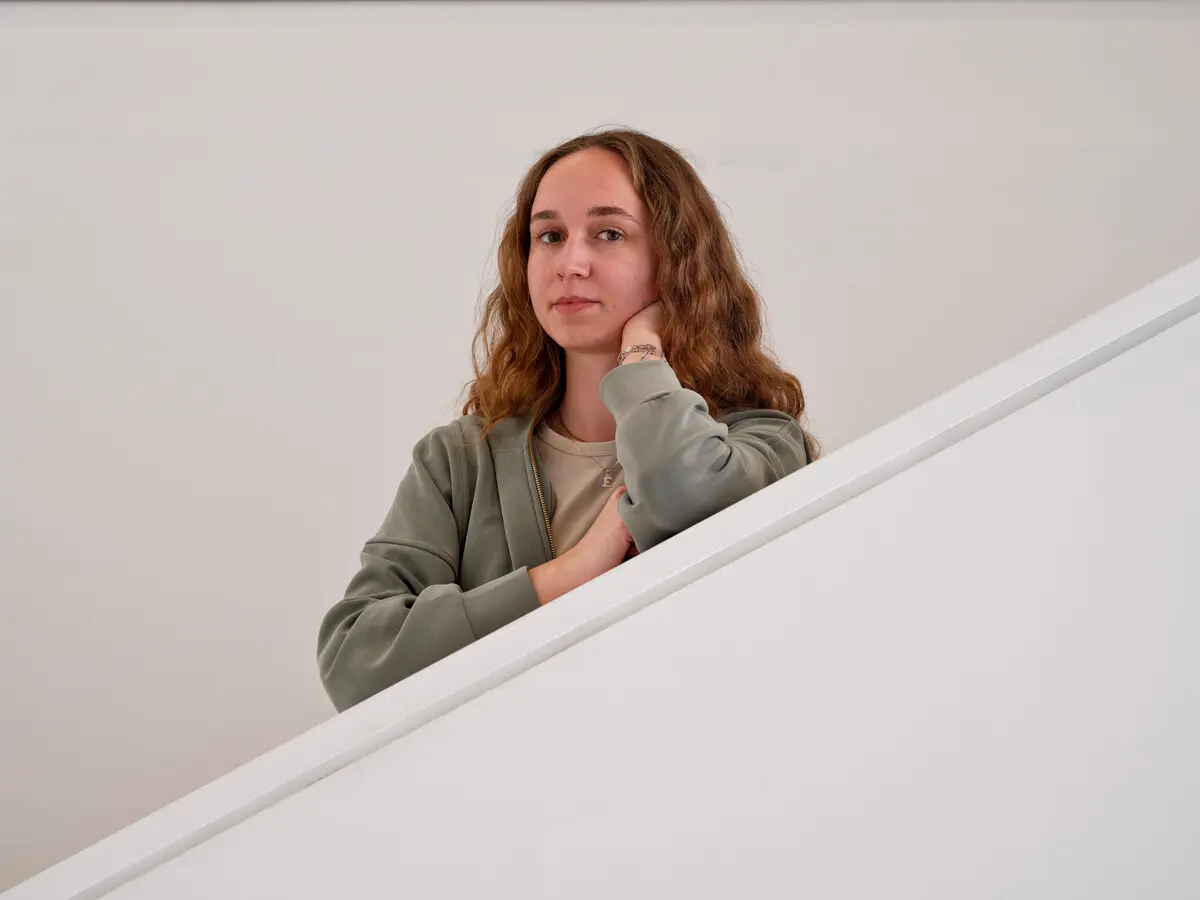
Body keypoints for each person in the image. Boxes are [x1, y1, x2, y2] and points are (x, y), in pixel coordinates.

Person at [317, 127, 819, 712]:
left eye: (609, 234)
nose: (570, 263)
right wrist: (571, 573)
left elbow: (687, 493)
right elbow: (354, 661)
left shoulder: (765, 444)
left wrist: (641, 351)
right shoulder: (458, 462)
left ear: (676, 260)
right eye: (549, 235)